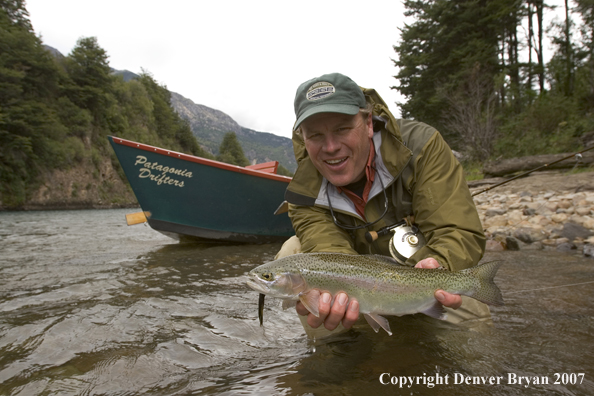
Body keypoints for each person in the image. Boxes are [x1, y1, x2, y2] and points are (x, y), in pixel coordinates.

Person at [277, 72, 490, 335]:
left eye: (342, 129)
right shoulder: (302, 190)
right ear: (303, 137)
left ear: (368, 122)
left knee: (471, 336)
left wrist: (436, 264)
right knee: (292, 252)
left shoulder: (422, 147)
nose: (330, 147)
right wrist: (351, 294)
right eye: (316, 135)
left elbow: (457, 230)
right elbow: (330, 255)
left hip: (421, 274)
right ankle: (339, 353)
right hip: (361, 287)